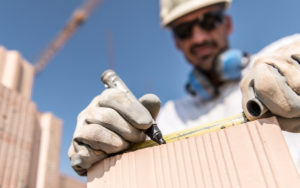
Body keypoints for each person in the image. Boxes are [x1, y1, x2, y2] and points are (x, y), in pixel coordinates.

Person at [68, 0, 300, 176]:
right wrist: (104, 149)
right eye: (184, 31)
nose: (198, 38)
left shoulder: (279, 57)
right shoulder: (168, 118)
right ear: (178, 43)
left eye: (209, 22)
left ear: (227, 24)